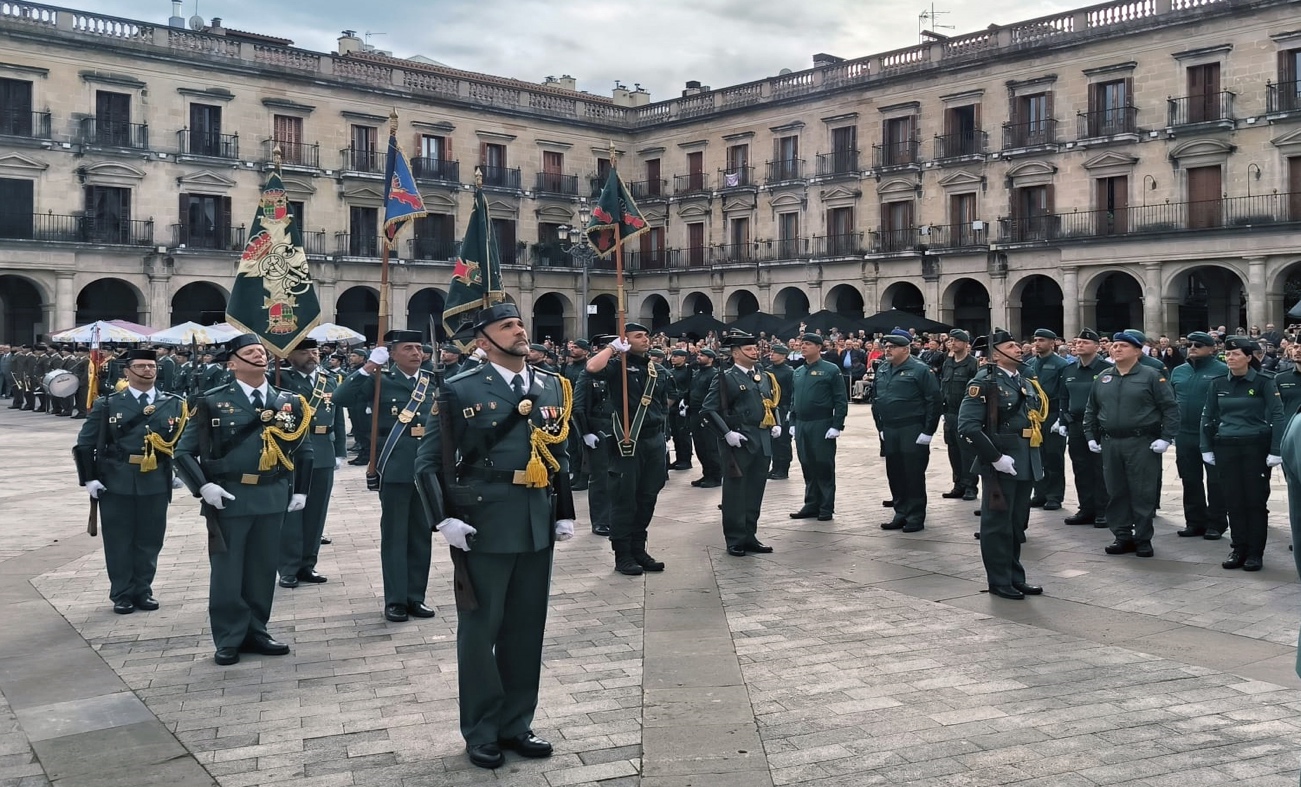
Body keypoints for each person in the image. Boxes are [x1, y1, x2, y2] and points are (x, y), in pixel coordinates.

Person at [413, 302, 574, 770]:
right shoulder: (460, 389)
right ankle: (481, 729)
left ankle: (516, 723)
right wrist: (443, 519)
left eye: (520, 322)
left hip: (535, 522)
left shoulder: (549, 386)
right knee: (480, 632)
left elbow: (556, 453)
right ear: (483, 342)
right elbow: (429, 461)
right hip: (483, 522)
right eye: (507, 326)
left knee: (527, 629)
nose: (520, 330)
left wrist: (563, 510)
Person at [174, 334, 313, 665]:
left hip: (272, 495)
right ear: (232, 363)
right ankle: (229, 636)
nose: (259, 356)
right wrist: (204, 487)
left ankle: (256, 630)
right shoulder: (210, 401)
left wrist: (302, 490)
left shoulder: (287, 401)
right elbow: (182, 453)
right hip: (230, 496)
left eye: (262, 352)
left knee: (262, 569)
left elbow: (303, 449)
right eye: (250, 352)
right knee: (228, 571)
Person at [72, 348, 188, 614]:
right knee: (119, 540)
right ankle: (122, 593)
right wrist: (89, 478)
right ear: (127, 370)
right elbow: (84, 444)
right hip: (117, 479)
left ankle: (143, 590)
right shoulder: (109, 403)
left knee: (150, 539)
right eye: (141, 366)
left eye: (151, 366)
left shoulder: (173, 403)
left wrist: (178, 472)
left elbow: (181, 442)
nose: (148, 370)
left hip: (156, 479)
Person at [334, 329, 438, 622]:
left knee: (421, 537)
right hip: (395, 468)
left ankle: (416, 596)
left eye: (418, 348)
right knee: (395, 536)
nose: (416, 353)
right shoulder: (381, 381)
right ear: (392, 354)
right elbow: (341, 398)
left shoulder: (431, 382)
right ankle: (396, 599)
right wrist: (368, 368)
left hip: (426, 470)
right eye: (408, 348)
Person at [957, 330, 1044, 599]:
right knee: (997, 525)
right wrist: (996, 458)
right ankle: (998, 580)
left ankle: (1015, 577)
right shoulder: (983, 382)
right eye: (1011, 346)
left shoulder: (1025, 381)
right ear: (996, 354)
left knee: (1016, 524)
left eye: (1019, 344)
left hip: (1025, 458)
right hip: (1001, 461)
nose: (1019, 349)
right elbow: (968, 426)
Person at [1083, 332, 1178, 559]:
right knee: (1116, 490)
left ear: (1137, 351)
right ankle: (1122, 535)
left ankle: (1143, 538)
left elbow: (1170, 408)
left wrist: (1166, 437)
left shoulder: (1151, 376)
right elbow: (1091, 409)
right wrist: (1090, 436)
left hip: (1141, 442)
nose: (1116, 349)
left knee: (1142, 491)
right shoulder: (1104, 377)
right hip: (1111, 442)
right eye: (1114, 346)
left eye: (1123, 346)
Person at [586, 322, 670, 575]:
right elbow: (591, 367)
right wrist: (613, 348)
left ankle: (638, 549)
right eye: (638, 336)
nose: (645, 339)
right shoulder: (618, 367)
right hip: (628, 442)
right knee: (625, 499)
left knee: (648, 497)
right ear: (626, 340)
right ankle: (623, 555)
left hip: (654, 440)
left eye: (646, 335)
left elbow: (664, 402)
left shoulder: (656, 369)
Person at [1201, 335, 1286, 571]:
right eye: (1227, 354)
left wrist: (1276, 450)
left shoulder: (1263, 381)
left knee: (1255, 502)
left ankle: (1255, 553)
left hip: (1255, 446)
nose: (1229, 358)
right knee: (1233, 500)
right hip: (1226, 446)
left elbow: (1278, 415)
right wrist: (1205, 447)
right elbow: (1207, 415)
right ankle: (1238, 548)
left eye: (1235, 354)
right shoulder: (1218, 383)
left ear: (1248, 357)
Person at [701, 331, 783, 556]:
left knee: (756, 490)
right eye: (748, 349)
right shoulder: (726, 377)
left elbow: (771, 403)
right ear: (736, 353)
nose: (755, 352)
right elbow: (708, 410)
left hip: (762, 439)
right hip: (740, 441)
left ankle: (750, 535)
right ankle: (735, 539)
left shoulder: (763, 376)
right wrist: (727, 433)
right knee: (736, 493)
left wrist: (776, 422)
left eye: (755, 348)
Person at [274, 339, 347, 589]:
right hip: (292, 449)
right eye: (304, 352)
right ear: (290, 354)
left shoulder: (330, 379)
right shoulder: (280, 378)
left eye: (314, 352)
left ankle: (308, 564)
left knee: (317, 511)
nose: (311, 356)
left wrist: (339, 451)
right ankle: (288, 567)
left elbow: (337, 415)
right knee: (293, 512)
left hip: (323, 449)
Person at [873, 332, 942, 532]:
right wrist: (881, 428)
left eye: (892, 347)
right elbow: (877, 398)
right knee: (894, 473)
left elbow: (933, 401)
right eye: (886, 346)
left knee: (913, 474)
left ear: (905, 349)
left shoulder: (920, 370)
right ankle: (900, 512)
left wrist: (928, 431)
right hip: (890, 428)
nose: (887, 350)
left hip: (912, 427)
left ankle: (915, 516)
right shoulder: (883, 368)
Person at [1169, 331, 1230, 539]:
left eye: (1198, 344)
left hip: (1213, 434)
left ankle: (1216, 523)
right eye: (1189, 344)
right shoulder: (1178, 371)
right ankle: (1194, 521)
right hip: (1184, 433)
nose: (1192, 347)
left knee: (1216, 481)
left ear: (1212, 348)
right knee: (1190, 479)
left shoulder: (1223, 370)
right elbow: (1170, 401)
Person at [787, 332, 848, 521]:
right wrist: (792, 422)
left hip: (821, 423)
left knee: (823, 465)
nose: (802, 346)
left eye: (807, 344)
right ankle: (811, 503)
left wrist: (837, 424)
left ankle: (826, 506)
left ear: (819, 347)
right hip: (802, 424)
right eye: (801, 344)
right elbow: (794, 399)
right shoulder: (798, 371)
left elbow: (840, 399)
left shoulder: (830, 370)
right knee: (807, 464)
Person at [1058, 329, 1111, 527]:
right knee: (1080, 467)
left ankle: (1103, 509)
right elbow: (1064, 397)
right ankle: (1086, 508)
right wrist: (1063, 421)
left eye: (1085, 342)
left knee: (1100, 468)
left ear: (1097, 347)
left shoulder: (1106, 370)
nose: (1079, 345)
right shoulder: (1069, 370)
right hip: (1076, 425)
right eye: (1077, 342)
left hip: (1099, 426)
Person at [574, 335, 614, 536]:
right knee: (601, 478)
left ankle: (617, 517)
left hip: (623, 430)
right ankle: (601, 520)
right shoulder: (588, 374)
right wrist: (586, 433)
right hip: (598, 430)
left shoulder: (620, 372)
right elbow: (578, 406)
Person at [1028, 329, 1069, 511]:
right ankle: (1040, 493)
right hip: (1034, 415)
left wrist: (1061, 418)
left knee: (1053, 456)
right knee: (1036, 456)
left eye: (1041, 340)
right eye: (1035, 339)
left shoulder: (1061, 365)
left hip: (1052, 413)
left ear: (1052, 343)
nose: (1037, 343)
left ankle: (1054, 495)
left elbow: (1064, 393)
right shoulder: (1029, 364)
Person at [940, 329, 981, 501]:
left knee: (968, 452)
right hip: (949, 413)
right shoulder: (948, 363)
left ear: (966, 344)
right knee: (953, 451)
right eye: (951, 340)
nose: (953, 343)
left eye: (957, 340)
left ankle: (970, 485)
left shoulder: (973, 364)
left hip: (965, 414)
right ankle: (958, 484)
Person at [689, 348, 722, 488]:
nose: (699, 357)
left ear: (711, 359)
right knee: (700, 446)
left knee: (711, 447)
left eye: (702, 355)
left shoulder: (714, 374)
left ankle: (715, 476)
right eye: (698, 354)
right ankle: (706, 473)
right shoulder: (697, 373)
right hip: (695, 412)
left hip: (708, 414)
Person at [765, 344, 795, 480]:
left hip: (783, 407)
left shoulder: (789, 372)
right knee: (773, 440)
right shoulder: (768, 370)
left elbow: (793, 392)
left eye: (776, 353)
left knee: (783, 440)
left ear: (784, 356)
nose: (772, 354)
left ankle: (783, 469)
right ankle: (775, 467)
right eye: (772, 352)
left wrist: (790, 410)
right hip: (770, 408)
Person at [666, 348, 695, 470]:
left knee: (683, 434)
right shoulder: (671, 371)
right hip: (672, 406)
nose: (673, 358)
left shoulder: (689, 371)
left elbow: (689, 387)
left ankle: (686, 460)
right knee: (676, 435)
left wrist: (681, 396)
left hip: (682, 406)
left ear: (683, 358)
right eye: (673, 356)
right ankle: (679, 458)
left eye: (676, 356)